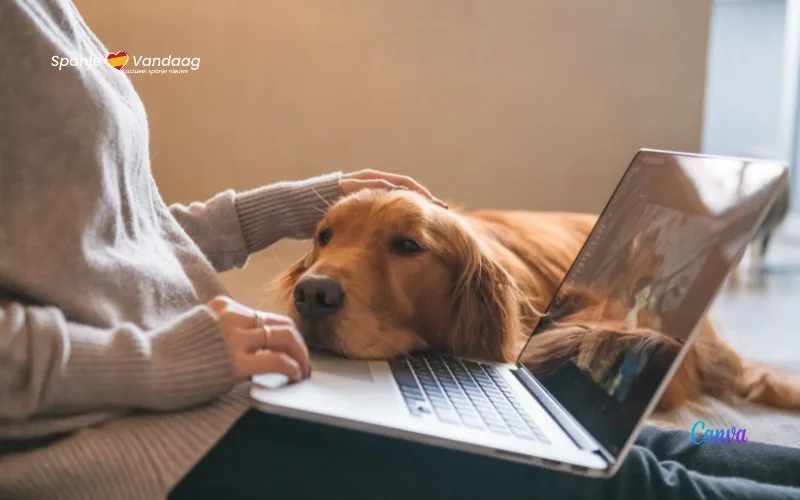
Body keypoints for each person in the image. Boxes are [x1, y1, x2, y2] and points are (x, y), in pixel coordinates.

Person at [2, 1, 800, 499]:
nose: (321, 277)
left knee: (652, 440)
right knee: (620, 485)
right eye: (325, 247)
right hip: (116, 432)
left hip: (204, 380)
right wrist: (161, 361)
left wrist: (286, 207)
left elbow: (99, 229)